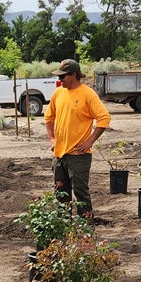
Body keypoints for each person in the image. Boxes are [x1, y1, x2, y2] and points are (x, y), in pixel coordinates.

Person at [45, 59, 111, 216]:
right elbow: (49, 118)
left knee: (81, 193)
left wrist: (89, 141)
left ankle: (86, 233)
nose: (59, 80)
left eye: (62, 76)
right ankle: (63, 228)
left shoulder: (87, 94)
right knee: (61, 194)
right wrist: (52, 139)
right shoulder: (58, 93)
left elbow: (104, 118)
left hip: (78, 155)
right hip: (59, 155)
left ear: (73, 75)